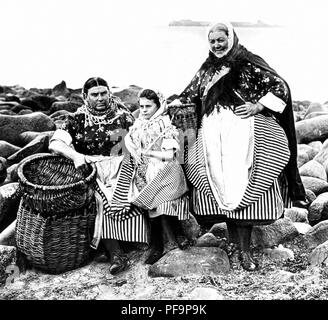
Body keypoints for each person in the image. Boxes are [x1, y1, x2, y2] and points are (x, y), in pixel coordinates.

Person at [168, 21, 307, 271]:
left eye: (220, 40)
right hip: (212, 134)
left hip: (242, 133)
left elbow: (280, 87)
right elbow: (189, 94)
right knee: (218, 185)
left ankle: (244, 251)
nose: (216, 45)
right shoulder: (207, 68)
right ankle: (234, 243)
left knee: (244, 183)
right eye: (212, 41)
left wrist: (258, 106)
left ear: (230, 39)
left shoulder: (248, 63)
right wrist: (173, 103)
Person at [49, 77, 149, 275]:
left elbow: (140, 137)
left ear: (109, 93)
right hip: (93, 170)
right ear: (85, 97)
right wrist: (76, 156)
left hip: (122, 165)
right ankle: (116, 253)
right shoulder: (77, 119)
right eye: (95, 94)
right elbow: (55, 143)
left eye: (104, 93)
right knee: (103, 199)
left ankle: (131, 240)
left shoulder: (122, 115)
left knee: (133, 193)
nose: (100, 98)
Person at [124, 89, 190, 264]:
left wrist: (147, 153)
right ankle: (160, 243)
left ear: (158, 106)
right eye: (141, 106)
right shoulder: (137, 125)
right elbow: (129, 144)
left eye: (148, 106)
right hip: (146, 170)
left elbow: (169, 155)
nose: (144, 110)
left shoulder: (165, 125)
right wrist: (135, 152)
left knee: (161, 201)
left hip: (166, 169)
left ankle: (170, 241)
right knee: (151, 202)